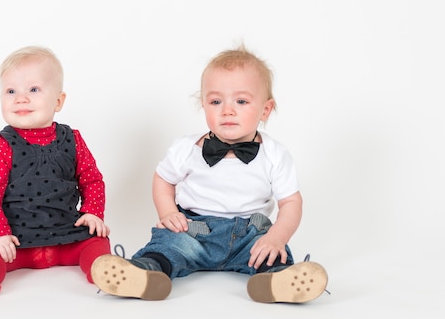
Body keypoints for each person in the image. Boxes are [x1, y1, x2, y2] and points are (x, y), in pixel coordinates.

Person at [91, 45, 328, 303]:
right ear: (203, 104)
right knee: (169, 245)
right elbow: (163, 179)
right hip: (193, 231)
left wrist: (276, 237)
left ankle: (278, 280)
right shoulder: (186, 148)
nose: (227, 110)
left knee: (270, 253)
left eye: (241, 101)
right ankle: (144, 273)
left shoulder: (274, 154)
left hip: (250, 234)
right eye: (216, 101)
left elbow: (291, 202)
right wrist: (168, 213)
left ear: (265, 109)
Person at [0, 46, 110, 299]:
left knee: (97, 240)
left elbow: (92, 179)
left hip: (66, 233)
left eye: (33, 89)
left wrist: (93, 212)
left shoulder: (72, 140)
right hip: (15, 239)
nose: (20, 98)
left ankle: (103, 270)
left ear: (58, 101)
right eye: (11, 91)